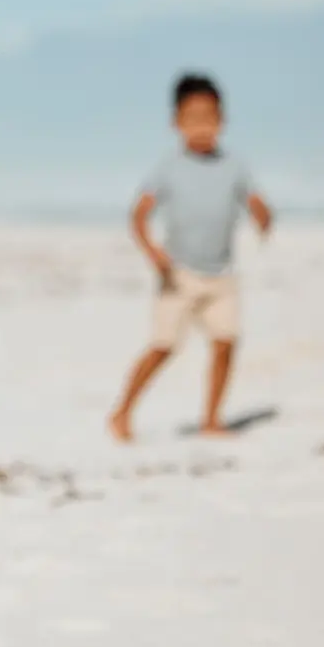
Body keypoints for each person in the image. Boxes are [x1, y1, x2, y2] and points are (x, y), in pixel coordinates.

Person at [110, 73, 271, 442]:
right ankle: (122, 411)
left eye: (209, 118)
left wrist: (264, 216)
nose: (202, 127)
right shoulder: (169, 167)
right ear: (176, 123)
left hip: (222, 274)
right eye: (193, 118)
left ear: (223, 120)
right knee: (164, 346)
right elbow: (139, 214)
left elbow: (254, 199)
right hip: (178, 274)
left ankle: (211, 419)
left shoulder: (234, 166)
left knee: (226, 342)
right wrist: (153, 252)